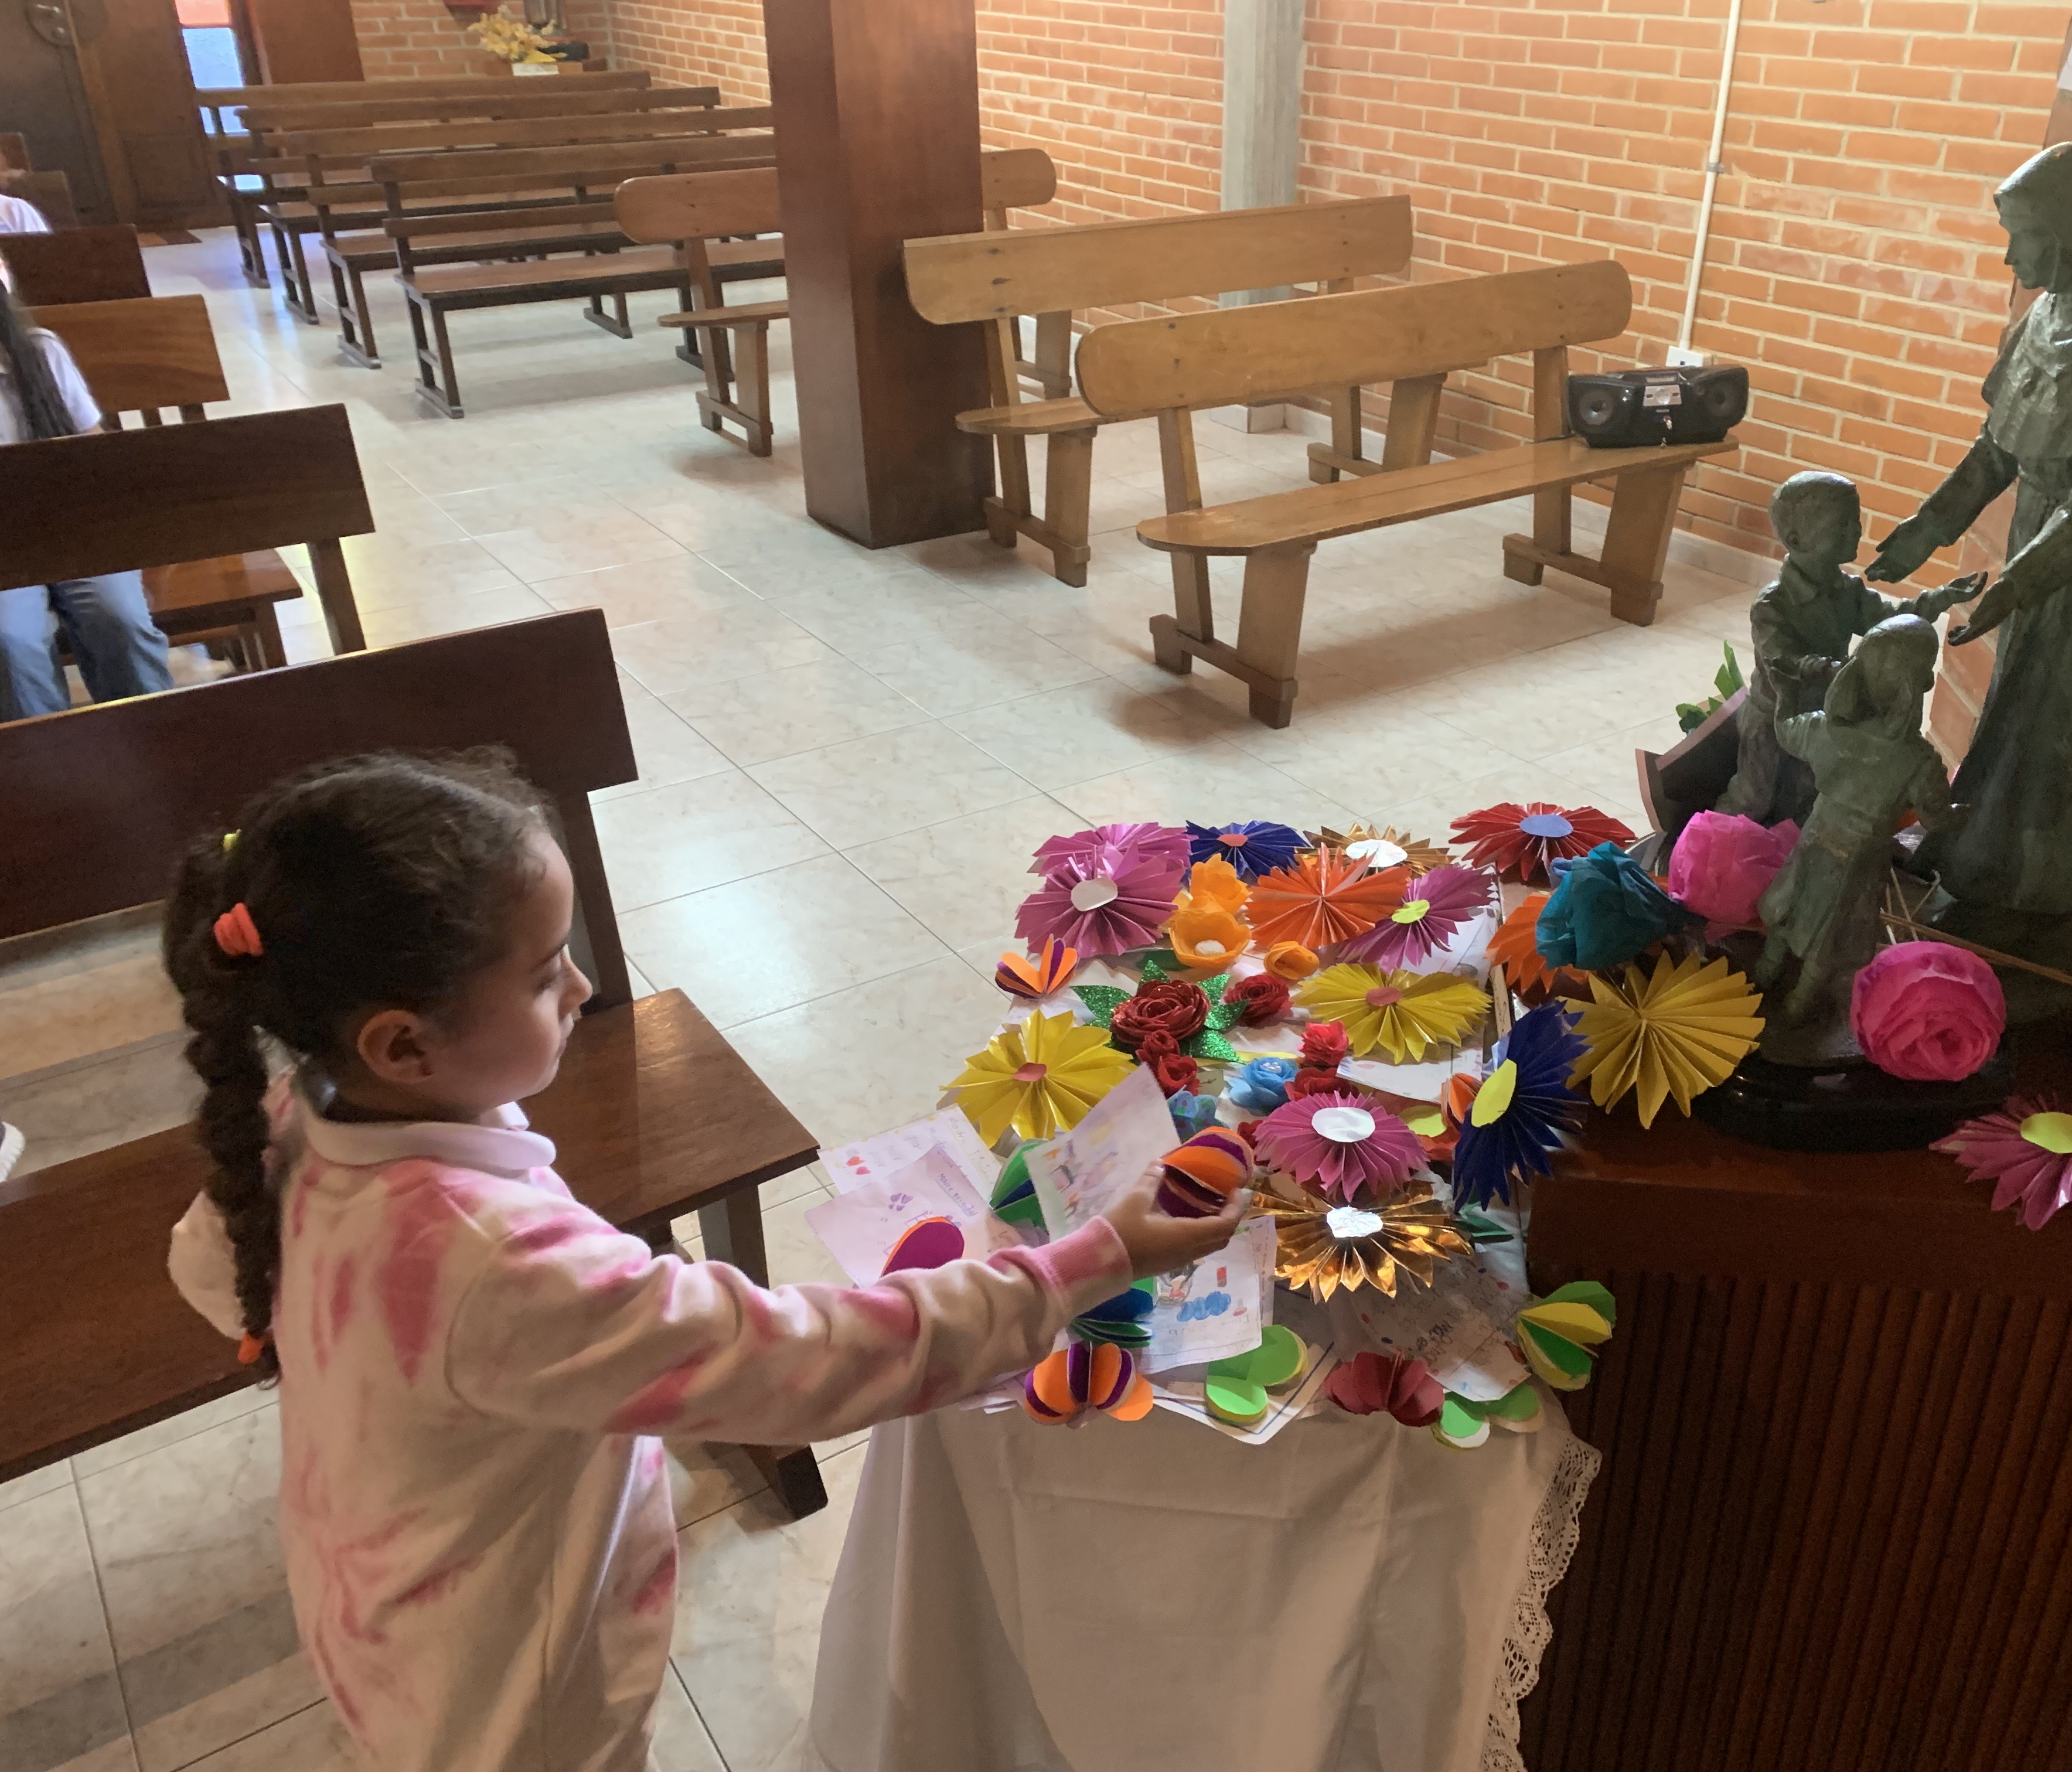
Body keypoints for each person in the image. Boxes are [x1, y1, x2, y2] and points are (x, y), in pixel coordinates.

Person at [162, 750, 1244, 1772]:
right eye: (545, 975)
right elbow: (795, 1361)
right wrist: (1089, 1259)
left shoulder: (299, 1113)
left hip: (377, 1586)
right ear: (404, 1044)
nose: (583, 987)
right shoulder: (494, 1259)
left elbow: (209, 1271)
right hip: (503, 1686)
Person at [1863, 141, 2072, 982]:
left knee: (2067, 731)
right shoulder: (2046, 321)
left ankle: (2037, 898)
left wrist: (2012, 589)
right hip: (2039, 542)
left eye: (2025, 236)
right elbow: (1998, 449)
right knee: (2019, 712)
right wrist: (1926, 527)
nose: (2012, 257)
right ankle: (1987, 867)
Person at [1717, 471, 1982, 826]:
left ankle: (1784, 856)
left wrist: (1940, 598)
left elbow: (1889, 616)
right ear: (1796, 539)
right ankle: (1707, 843)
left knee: (1808, 793)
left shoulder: (1848, 590)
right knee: (1755, 794)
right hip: (1774, 715)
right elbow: (1781, 659)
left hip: (1828, 714)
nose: (1856, 530)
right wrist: (1825, 668)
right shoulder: (1773, 604)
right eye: (1842, 524)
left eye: (1855, 521)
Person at [1754, 615, 1967, 1021]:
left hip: (1816, 836)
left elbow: (1784, 732)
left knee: (1791, 907)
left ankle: (1765, 971)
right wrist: (1958, 816)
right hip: (1860, 858)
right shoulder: (1919, 761)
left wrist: (1785, 694)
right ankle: (1798, 1004)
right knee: (1829, 933)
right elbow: (1935, 820)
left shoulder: (1825, 730)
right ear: (1922, 683)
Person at [0, 285, 175, 720]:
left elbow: (92, 455)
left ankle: (151, 734)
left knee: (119, 619)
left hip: (73, 529)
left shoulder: (39, 352)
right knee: (11, 641)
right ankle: (49, 761)